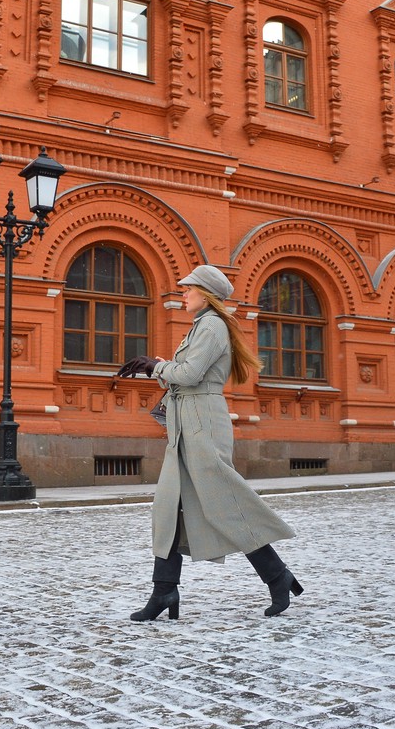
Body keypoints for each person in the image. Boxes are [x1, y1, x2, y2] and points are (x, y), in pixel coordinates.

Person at [117, 264, 304, 620]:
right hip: (188, 424)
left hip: (202, 425)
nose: (183, 293)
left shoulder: (213, 326)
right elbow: (183, 378)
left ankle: (278, 576)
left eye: (188, 288)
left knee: (226, 505)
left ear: (205, 294)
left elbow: (189, 374)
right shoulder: (202, 327)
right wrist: (157, 368)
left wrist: (156, 367)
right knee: (168, 507)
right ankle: (164, 591)